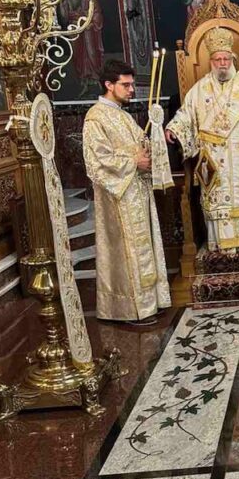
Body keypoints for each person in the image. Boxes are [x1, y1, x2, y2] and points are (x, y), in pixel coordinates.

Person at [165, 29, 239, 252]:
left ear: (232, 60)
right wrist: (174, 128)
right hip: (213, 157)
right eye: (218, 59)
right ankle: (221, 246)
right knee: (218, 200)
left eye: (226, 59)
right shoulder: (200, 89)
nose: (222, 63)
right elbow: (186, 114)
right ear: (211, 62)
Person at [83, 59, 171, 324]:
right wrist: (134, 162)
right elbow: (96, 161)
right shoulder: (95, 118)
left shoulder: (123, 115)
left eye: (132, 84)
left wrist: (153, 142)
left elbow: (140, 146)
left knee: (143, 249)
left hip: (137, 192)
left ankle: (150, 302)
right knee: (126, 252)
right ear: (109, 85)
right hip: (118, 198)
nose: (132, 90)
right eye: (126, 85)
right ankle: (129, 309)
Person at [60, 0, 104, 94]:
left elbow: (96, 11)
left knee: (91, 53)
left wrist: (90, 22)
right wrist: (61, 3)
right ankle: (83, 82)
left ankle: (94, 79)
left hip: (89, 30)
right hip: (75, 29)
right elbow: (65, 15)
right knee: (78, 55)